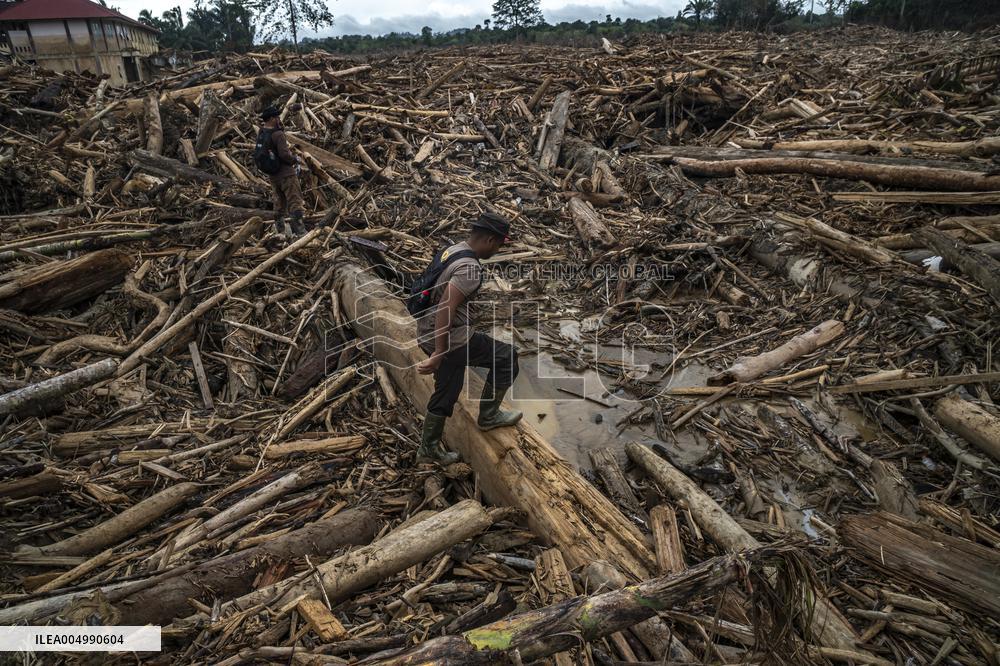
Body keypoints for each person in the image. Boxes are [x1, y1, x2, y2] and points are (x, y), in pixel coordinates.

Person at [414, 211, 522, 463]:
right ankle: (489, 416)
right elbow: (446, 308)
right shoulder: (470, 268)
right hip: (449, 338)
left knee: (448, 388)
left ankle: (428, 448)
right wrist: (439, 352)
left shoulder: (452, 250)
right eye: (498, 246)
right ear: (490, 240)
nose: (496, 251)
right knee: (506, 357)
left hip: (427, 329)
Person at [257, 106, 305, 237]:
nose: (279, 119)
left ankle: (280, 230)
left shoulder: (262, 132)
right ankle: (300, 231)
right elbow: (284, 154)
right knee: (295, 200)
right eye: (277, 117)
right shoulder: (278, 134)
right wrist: (295, 159)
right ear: (272, 118)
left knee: (279, 202)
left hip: (273, 175)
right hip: (286, 174)